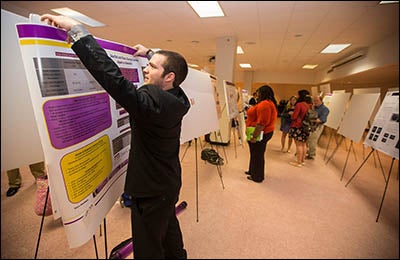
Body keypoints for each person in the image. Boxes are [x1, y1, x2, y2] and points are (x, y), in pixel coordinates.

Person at [40, 14, 190, 259]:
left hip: (151, 191)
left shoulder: (152, 104)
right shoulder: (178, 98)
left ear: (169, 76)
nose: (146, 68)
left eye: (152, 66)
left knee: (149, 247)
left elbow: (114, 79)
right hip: (167, 184)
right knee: (169, 231)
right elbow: (173, 72)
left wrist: (79, 32)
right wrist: (151, 53)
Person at [244, 85, 278, 183]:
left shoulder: (265, 104)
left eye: (258, 92)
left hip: (260, 132)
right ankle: (252, 171)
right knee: (255, 153)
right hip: (261, 131)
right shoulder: (267, 103)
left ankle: (257, 176)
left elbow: (262, 123)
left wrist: (254, 136)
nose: (257, 94)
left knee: (257, 155)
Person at [288, 95, 313, 167]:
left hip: (298, 126)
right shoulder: (309, 105)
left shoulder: (299, 105)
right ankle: (302, 161)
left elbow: (294, 116)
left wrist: (292, 114)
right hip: (305, 127)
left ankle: (298, 162)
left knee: (298, 145)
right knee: (304, 144)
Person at [306, 95, 330, 160]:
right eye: (314, 100)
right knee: (308, 139)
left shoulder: (325, 109)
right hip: (310, 125)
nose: (315, 102)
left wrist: (311, 119)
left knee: (312, 140)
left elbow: (321, 120)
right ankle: (308, 151)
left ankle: (311, 155)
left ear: (321, 101)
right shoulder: (314, 107)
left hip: (317, 127)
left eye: (317, 100)